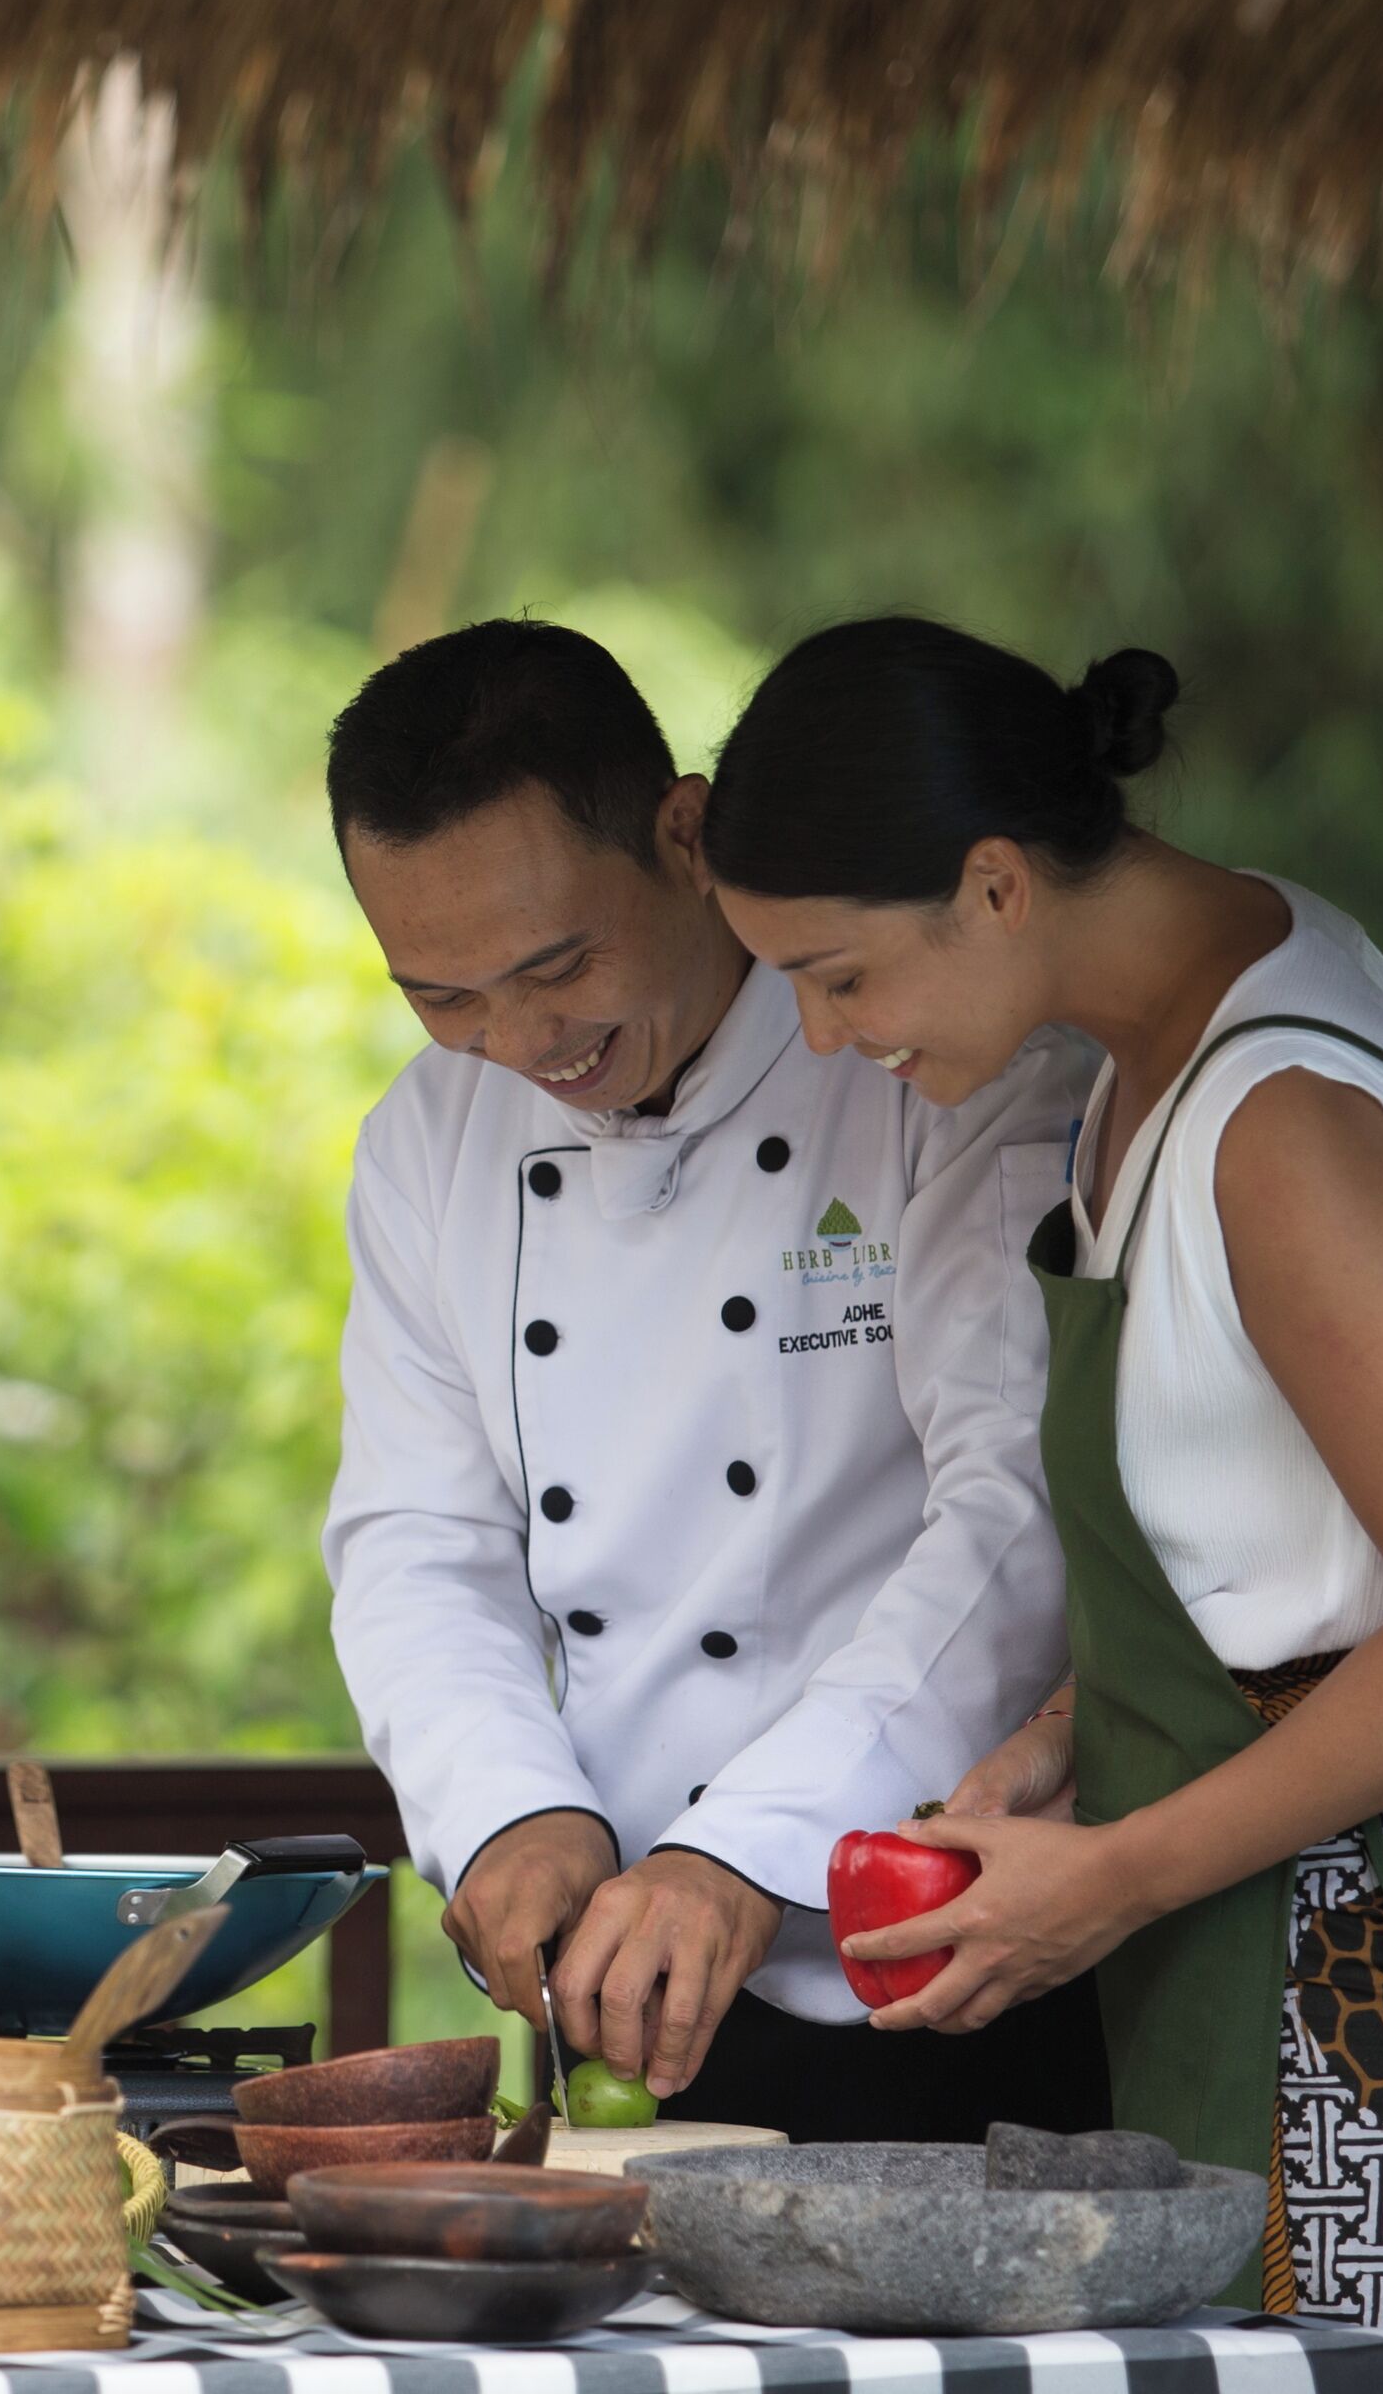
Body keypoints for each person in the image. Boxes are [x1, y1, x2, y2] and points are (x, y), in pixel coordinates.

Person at [696, 615, 1383, 2391]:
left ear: (996, 885)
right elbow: (1294, 1554)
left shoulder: (1281, 1122)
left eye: (839, 974)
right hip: (1258, 2013)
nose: (820, 1032)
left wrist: (1106, 1881)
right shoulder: (1182, 1028)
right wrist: (1070, 1740)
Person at [319, 617, 1110, 2143]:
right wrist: (509, 1808)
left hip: (945, 1959)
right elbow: (419, 1542)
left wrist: (746, 1851)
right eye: (444, 997)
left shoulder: (927, 1052)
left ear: (685, 835)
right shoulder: (428, 1142)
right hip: (627, 1988)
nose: (524, 1041)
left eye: (559, 965)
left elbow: (1015, 1511)